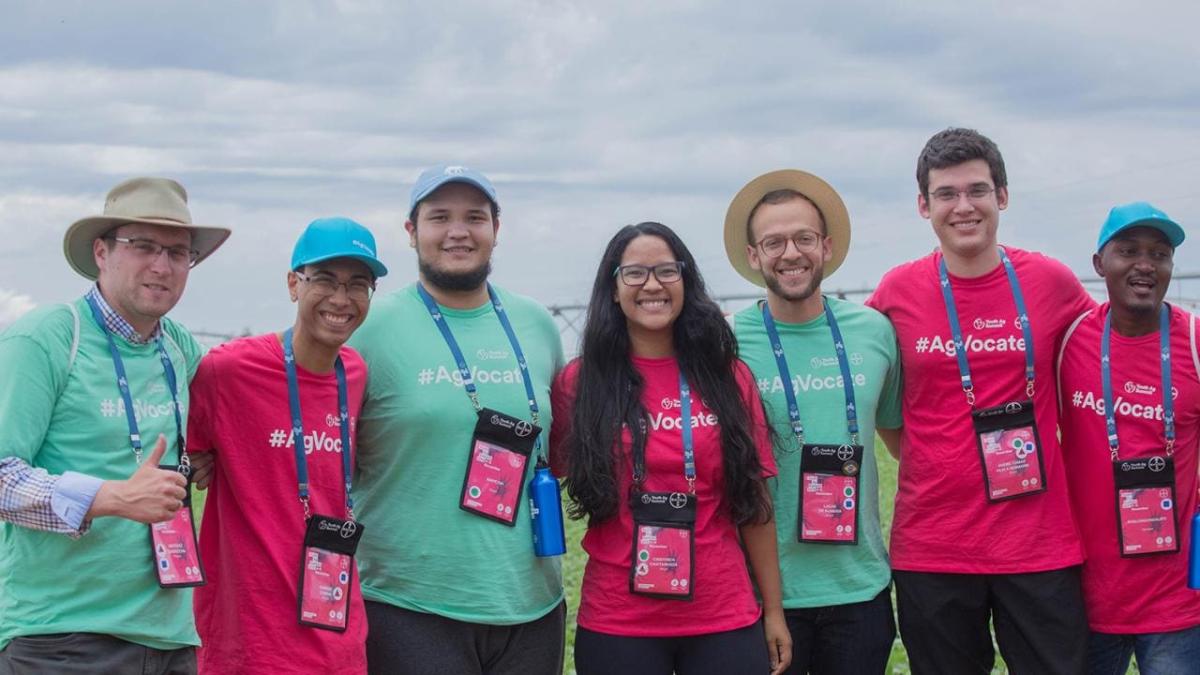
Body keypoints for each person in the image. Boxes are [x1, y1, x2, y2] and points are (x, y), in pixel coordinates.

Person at [866, 128, 1095, 674]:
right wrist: (930, 454)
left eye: (977, 191)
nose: (963, 206)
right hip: (934, 547)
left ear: (1003, 197)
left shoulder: (1052, 281)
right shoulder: (896, 292)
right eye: (946, 193)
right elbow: (871, 389)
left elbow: (1108, 350)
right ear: (924, 205)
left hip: (1040, 545)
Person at [0, 177, 229, 674]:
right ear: (101, 252)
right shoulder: (48, 339)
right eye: (143, 246)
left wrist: (208, 459)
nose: (161, 266)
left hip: (170, 637)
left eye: (177, 252)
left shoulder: (179, 349)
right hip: (61, 638)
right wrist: (110, 498)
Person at [347, 165, 566, 674]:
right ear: (411, 230)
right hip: (409, 605)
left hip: (531, 601)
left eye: (475, 217)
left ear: (496, 227)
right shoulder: (370, 328)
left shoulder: (535, 323)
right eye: (439, 217)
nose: (458, 231)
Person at [550, 222, 791, 675]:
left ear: (686, 281)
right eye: (635, 274)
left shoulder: (727, 377)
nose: (653, 285)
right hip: (619, 621)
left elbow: (754, 501)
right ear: (614, 289)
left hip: (723, 615)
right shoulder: (580, 384)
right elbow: (545, 478)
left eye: (666, 270)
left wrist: (773, 610)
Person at [186, 217, 387, 674]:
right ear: (294, 283)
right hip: (249, 642)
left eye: (358, 284)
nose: (341, 299)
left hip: (338, 635)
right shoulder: (229, 371)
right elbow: (182, 451)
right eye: (325, 281)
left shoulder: (354, 374)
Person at [724, 170, 903, 674]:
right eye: (774, 242)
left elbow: (900, 439)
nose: (791, 253)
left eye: (803, 238)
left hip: (860, 587)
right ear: (754, 256)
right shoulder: (726, 343)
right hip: (765, 593)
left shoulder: (873, 331)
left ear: (825, 247)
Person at [1056, 202, 1200, 674]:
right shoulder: (1070, 340)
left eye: (1159, 254)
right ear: (1100, 264)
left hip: (1177, 606)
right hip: (1085, 599)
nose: (1145, 264)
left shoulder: (1195, 343)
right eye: (1129, 251)